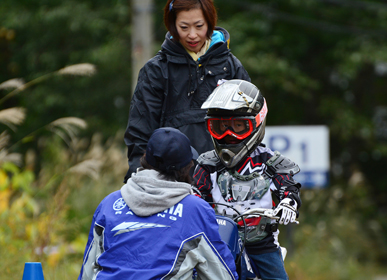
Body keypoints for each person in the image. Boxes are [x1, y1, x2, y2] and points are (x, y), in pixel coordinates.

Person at [78, 127, 239, 280]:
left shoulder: (110, 203)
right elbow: (222, 274)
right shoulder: (196, 210)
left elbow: (87, 272)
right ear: (186, 168)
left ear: (145, 159)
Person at [124, 0, 251, 183]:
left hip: (224, 181)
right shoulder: (156, 70)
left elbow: (249, 126)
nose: (192, 35)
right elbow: (140, 134)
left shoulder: (230, 67)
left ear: (210, 22)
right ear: (173, 26)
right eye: (184, 27)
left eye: (199, 26)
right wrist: (137, 180)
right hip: (169, 182)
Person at [193, 80, 302, 280]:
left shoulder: (270, 162)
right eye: (221, 126)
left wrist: (289, 202)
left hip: (262, 244)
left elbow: (288, 186)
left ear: (256, 123)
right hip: (219, 242)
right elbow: (195, 193)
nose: (228, 134)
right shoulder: (207, 164)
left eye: (238, 126)